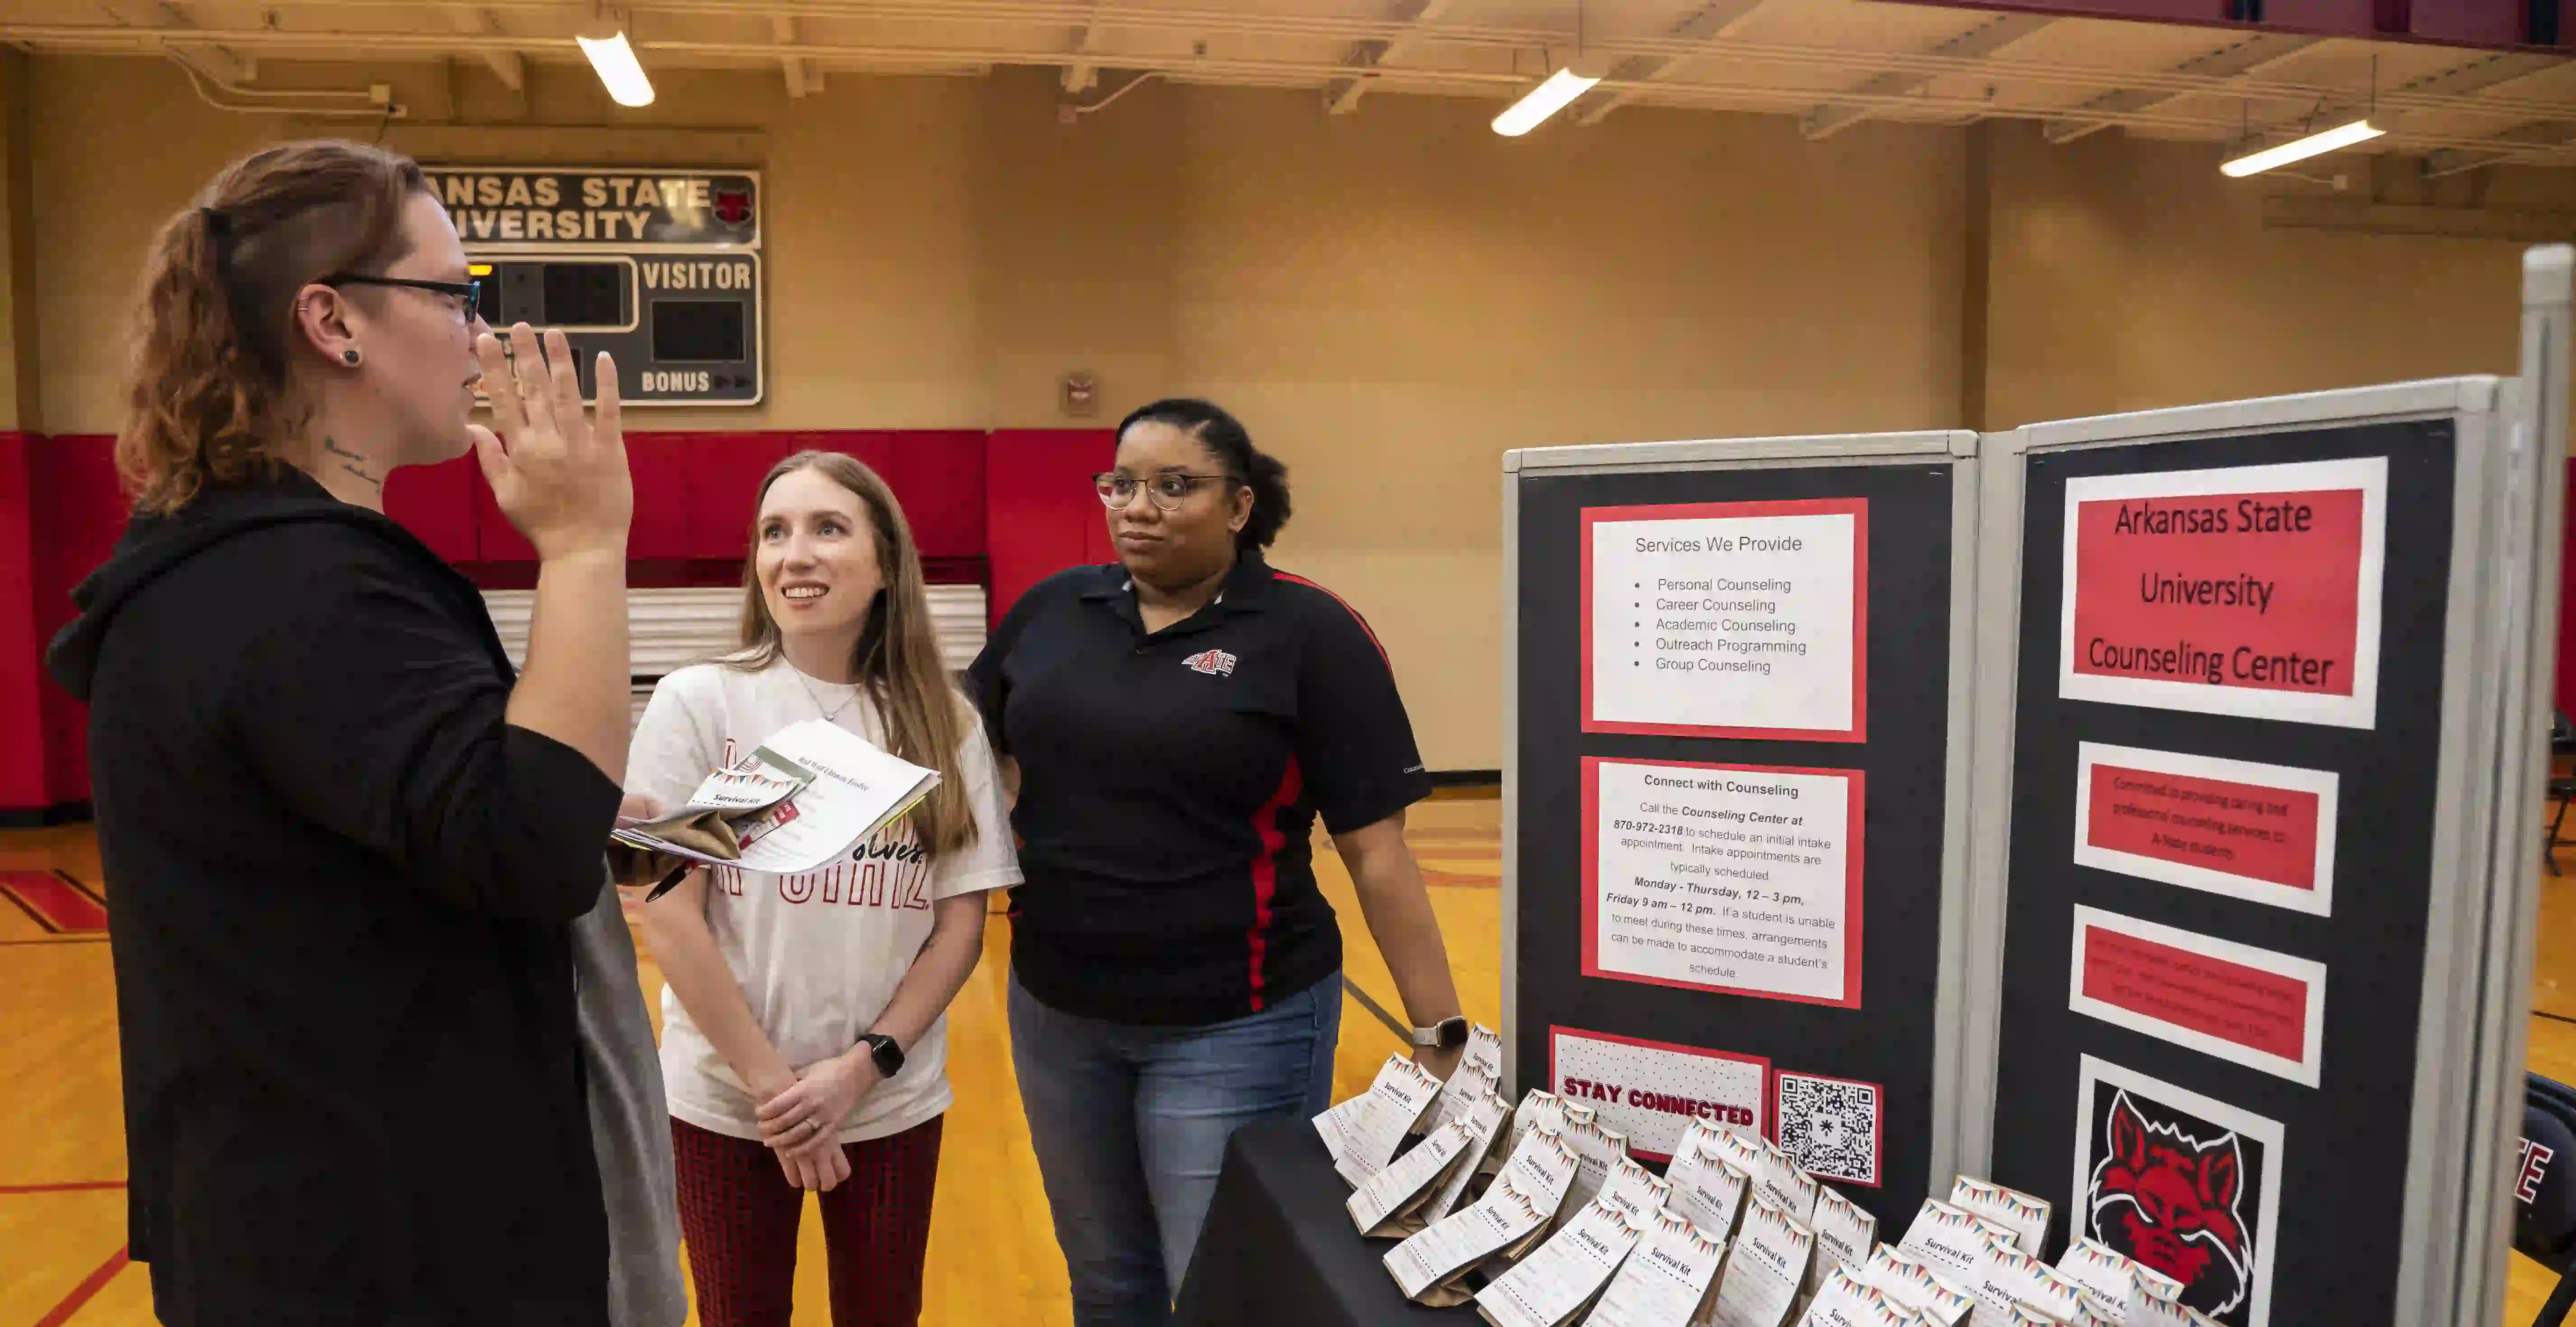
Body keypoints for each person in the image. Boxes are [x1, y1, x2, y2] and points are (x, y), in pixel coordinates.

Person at [42, 140, 652, 1323]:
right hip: (383, 1262)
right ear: (335, 321)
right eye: (453, 295)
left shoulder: (210, 571)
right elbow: (532, 846)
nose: (478, 338)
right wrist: (584, 544)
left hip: (297, 1236)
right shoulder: (307, 592)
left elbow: (417, 842)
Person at [967, 398, 1469, 1325]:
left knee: (1219, 1289)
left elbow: (1376, 852)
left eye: (1173, 484)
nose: (1137, 505)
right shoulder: (1052, 611)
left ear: (1238, 507)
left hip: (1238, 1026)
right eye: (1121, 483)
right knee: (1107, 1281)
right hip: (1057, 1015)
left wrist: (1441, 1038)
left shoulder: (1309, 634)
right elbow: (972, 749)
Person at [625, 450, 1021, 1327]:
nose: (793, 554)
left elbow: (960, 920)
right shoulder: (697, 701)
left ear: (886, 564)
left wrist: (860, 1068)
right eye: (774, 531)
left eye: (826, 528)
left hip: (887, 1099)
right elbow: (666, 910)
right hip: (728, 1103)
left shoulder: (940, 719)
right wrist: (776, 1089)